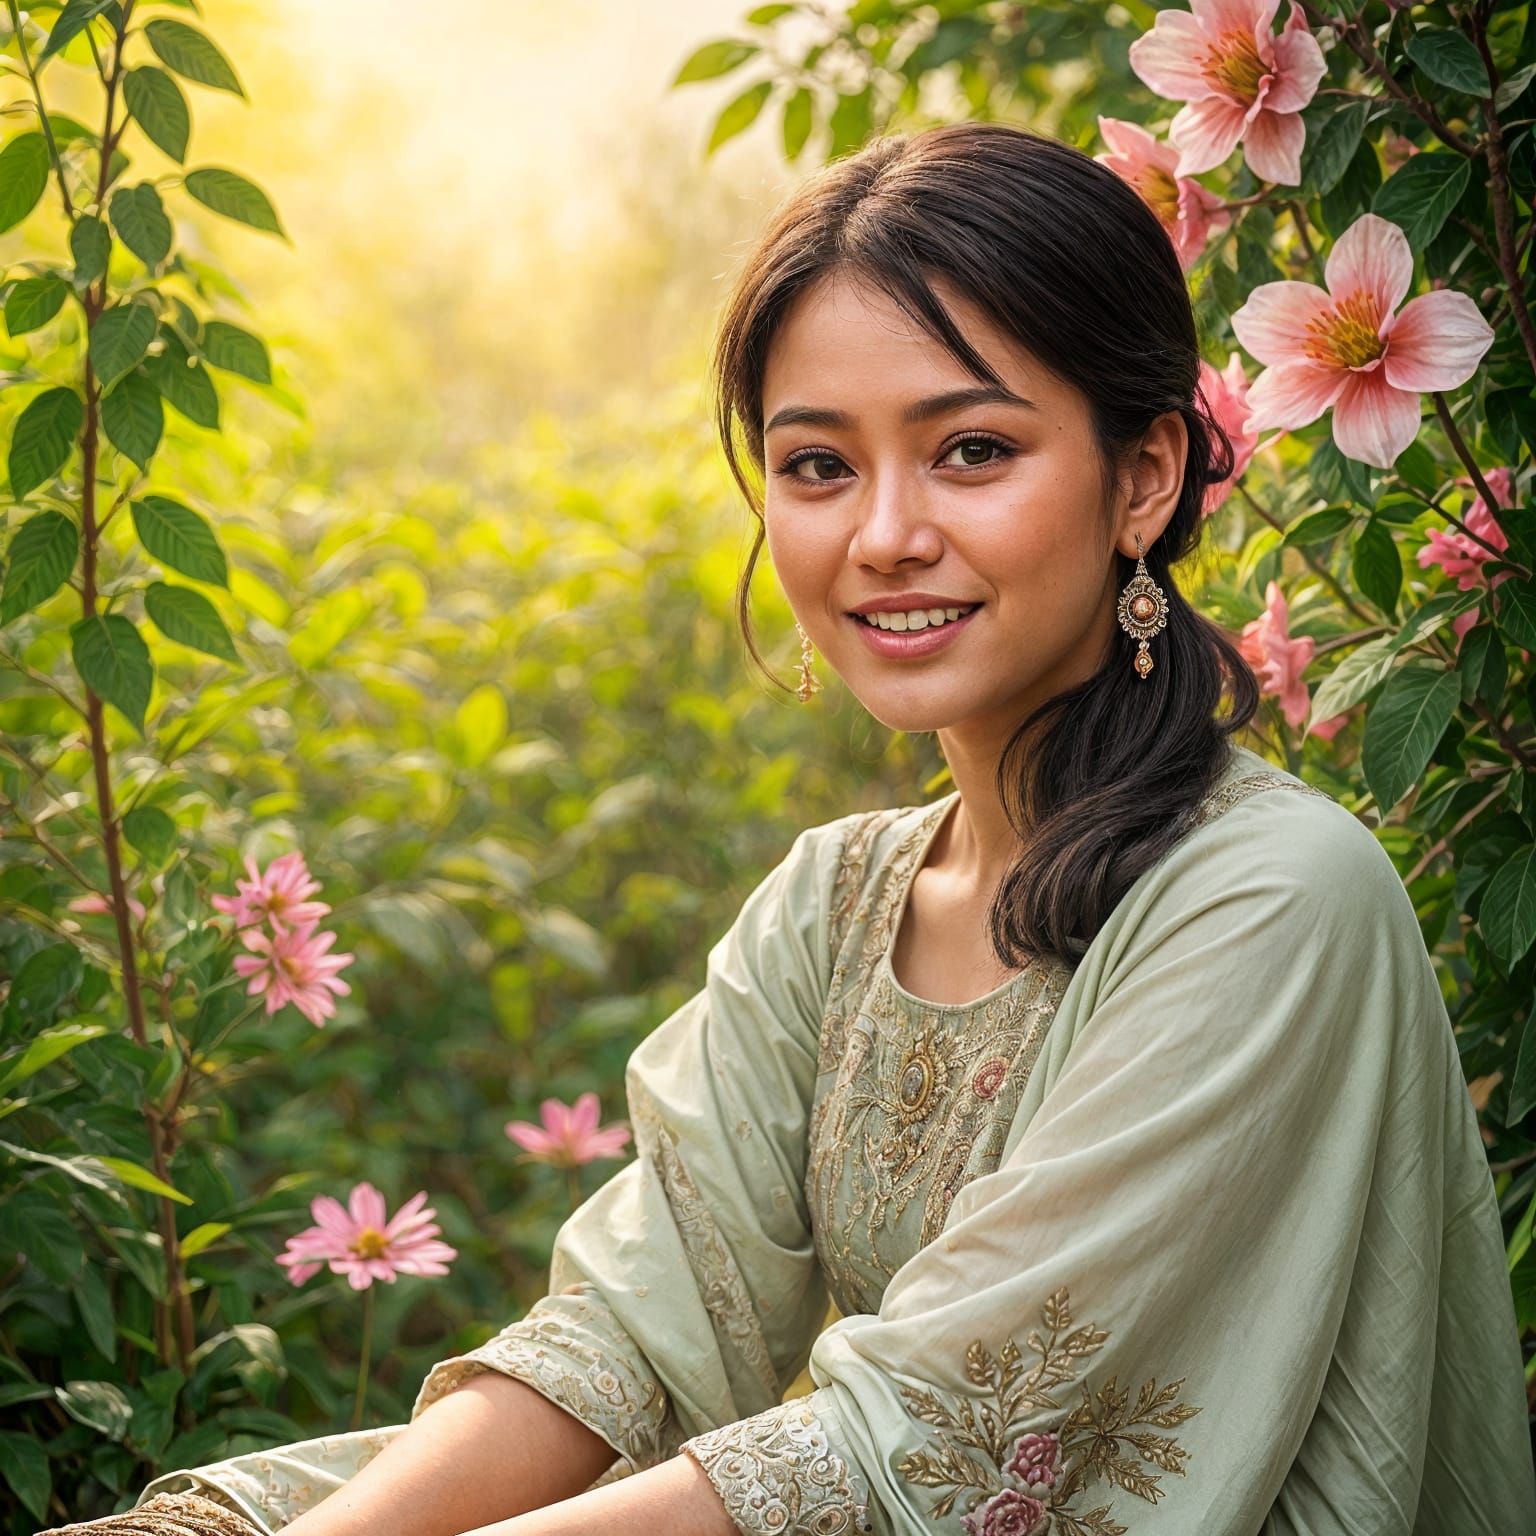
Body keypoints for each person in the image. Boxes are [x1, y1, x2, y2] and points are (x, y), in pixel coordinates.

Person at [45, 121, 1534, 1536]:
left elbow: (930, 1447)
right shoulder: (837, 900)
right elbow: (627, 1336)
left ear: (1144, 476)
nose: (881, 532)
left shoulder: (1274, 898)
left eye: (970, 451)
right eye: (818, 465)